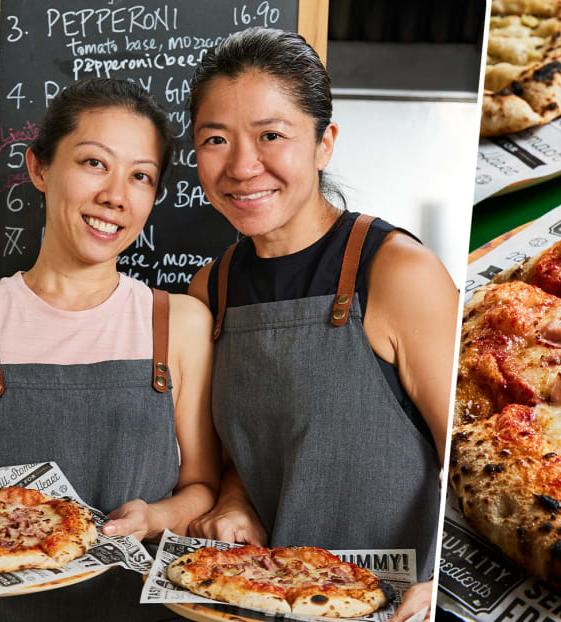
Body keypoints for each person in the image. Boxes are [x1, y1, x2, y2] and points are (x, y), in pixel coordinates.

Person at [0, 78, 220, 621]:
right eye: (94, 163)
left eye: (140, 176)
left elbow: (201, 487)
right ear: (39, 168)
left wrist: (153, 518)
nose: (115, 196)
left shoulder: (180, 322)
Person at [185, 28, 458, 622]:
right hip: (263, 598)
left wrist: (444, 581)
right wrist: (234, 500)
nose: (241, 166)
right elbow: (248, 445)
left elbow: (468, 452)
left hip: (395, 606)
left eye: (271, 135)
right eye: (215, 140)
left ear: (324, 142)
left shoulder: (398, 272)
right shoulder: (212, 289)